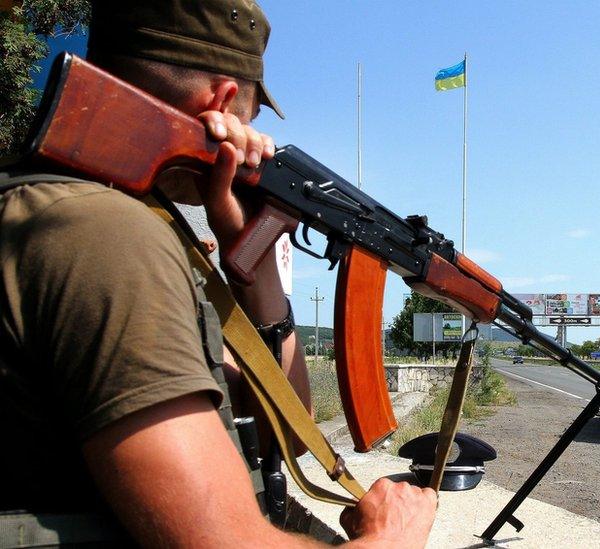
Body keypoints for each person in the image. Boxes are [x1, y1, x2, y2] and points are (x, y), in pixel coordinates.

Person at [0, 0, 436, 546]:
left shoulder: (72, 212)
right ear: (225, 100)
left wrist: (251, 259)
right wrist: (393, 537)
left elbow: (289, 433)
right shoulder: (107, 236)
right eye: (252, 118)